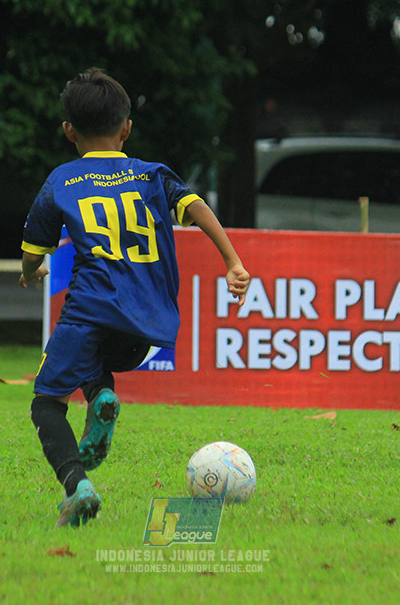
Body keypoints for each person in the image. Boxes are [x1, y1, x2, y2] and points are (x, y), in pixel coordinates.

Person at [19, 68, 250, 528]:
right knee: (94, 357)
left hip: (90, 309)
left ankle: (78, 487)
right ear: (126, 129)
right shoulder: (151, 174)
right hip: (148, 325)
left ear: (69, 131)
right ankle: (102, 394)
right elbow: (197, 208)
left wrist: (32, 272)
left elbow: (33, 251)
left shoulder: (61, 181)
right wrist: (233, 262)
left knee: (46, 401)